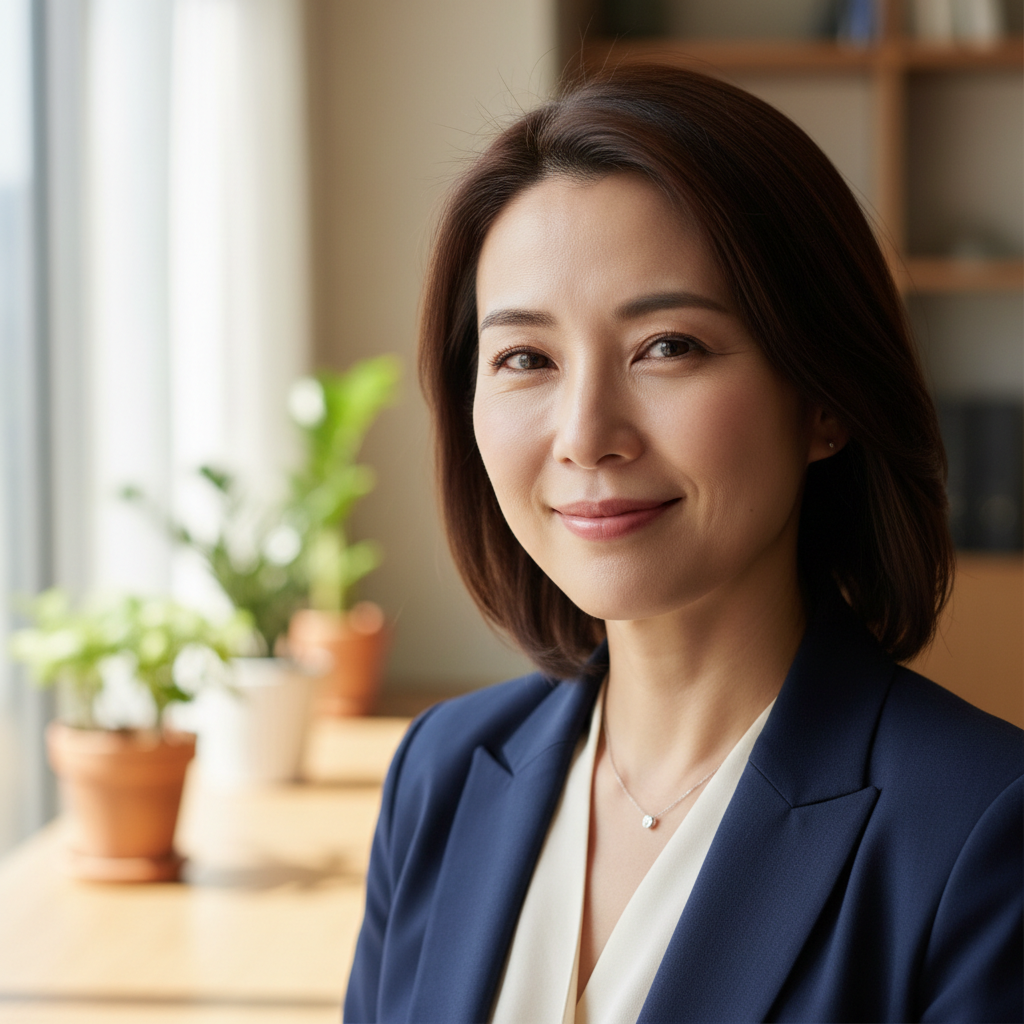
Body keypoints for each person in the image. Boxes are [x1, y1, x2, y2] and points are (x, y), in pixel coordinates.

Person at [344, 64, 1023, 1024]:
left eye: (669, 346)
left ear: (824, 397)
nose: (586, 433)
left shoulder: (981, 832)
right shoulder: (441, 772)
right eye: (525, 359)